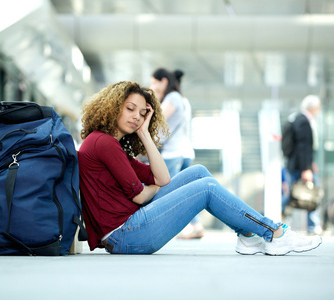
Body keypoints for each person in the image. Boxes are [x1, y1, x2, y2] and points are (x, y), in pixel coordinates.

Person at [78, 81, 322, 255]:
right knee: (206, 188)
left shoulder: (112, 144)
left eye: (142, 114)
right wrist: (151, 188)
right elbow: (141, 195)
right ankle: (273, 233)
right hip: (125, 235)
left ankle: (247, 237)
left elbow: (161, 179)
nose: (136, 117)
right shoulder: (104, 142)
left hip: (129, 228)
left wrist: (144, 134)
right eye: (130, 108)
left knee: (198, 172)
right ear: (113, 106)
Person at [173, 69, 205, 239]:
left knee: (172, 191)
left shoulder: (172, 101)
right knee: (186, 189)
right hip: (186, 150)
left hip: (175, 152)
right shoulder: (185, 101)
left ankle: (186, 227)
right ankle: (196, 225)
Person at [284, 95, 323, 234]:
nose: (319, 110)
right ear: (312, 108)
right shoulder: (304, 121)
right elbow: (303, 147)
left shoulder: (296, 118)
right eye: (318, 107)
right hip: (300, 167)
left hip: (296, 165)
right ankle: (313, 225)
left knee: (294, 195)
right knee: (311, 193)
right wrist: (306, 168)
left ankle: (281, 223)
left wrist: (310, 163)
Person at [150, 68, 186, 177]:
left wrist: (154, 98)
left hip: (168, 153)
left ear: (164, 81)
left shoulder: (173, 98)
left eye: (155, 83)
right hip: (172, 151)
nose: (153, 87)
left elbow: (156, 118)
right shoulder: (176, 97)